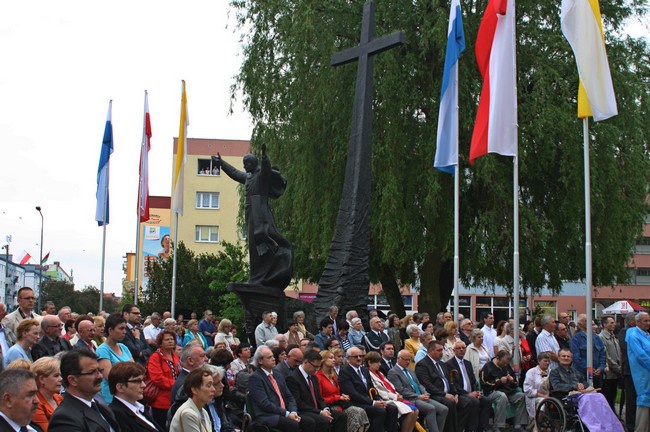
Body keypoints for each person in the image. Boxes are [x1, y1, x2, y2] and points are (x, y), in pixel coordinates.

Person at [214, 144, 293, 287]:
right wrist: (222, 163)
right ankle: (256, 277)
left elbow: (267, 169)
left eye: (247, 163)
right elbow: (235, 173)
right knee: (253, 246)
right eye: (244, 164)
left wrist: (264, 157)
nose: (244, 167)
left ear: (254, 163)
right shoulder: (248, 177)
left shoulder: (262, 175)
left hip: (260, 213)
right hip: (250, 213)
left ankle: (271, 267)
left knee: (262, 238)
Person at [549, 348, 624, 432]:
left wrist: (582, 385)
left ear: (571, 359)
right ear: (558, 358)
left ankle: (608, 425)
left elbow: (585, 382)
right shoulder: (554, 372)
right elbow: (557, 386)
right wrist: (574, 386)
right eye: (563, 356)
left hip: (579, 394)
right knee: (586, 399)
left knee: (599, 396)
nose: (566, 358)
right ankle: (593, 426)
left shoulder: (574, 371)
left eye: (568, 356)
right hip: (565, 396)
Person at [49, 350, 121, 432]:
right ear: (73, 380)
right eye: (92, 372)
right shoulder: (64, 418)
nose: (100, 376)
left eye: (99, 371)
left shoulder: (102, 408)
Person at [338, 346, 399, 432]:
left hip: (369, 400)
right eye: (356, 357)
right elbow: (352, 394)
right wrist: (373, 402)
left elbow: (371, 388)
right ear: (348, 358)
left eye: (361, 356)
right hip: (356, 403)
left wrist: (378, 400)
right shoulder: (345, 372)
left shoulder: (364, 370)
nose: (359, 358)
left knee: (392, 408)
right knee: (379, 411)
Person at [285, 349, 347, 432]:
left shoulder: (313, 377)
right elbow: (298, 402)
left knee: (341, 416)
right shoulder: (293, 378)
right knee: (322, 420)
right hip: (304, 410)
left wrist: (325, 409)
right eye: (315, 366)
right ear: (306, 362)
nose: (317, 369)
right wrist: (320, 412)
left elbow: (319, 398)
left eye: (318, 366)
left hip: (316, 409)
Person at [387, 349, 448, 432]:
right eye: (406, 359)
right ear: (399, 358)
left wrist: (425, 393)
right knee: (431, 409)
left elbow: (419, 384)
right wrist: (418, 396)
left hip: (421, 396)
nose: (408, 362)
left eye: (410, 360)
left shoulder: (410, 370)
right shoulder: (393, 372)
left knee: (443, 409)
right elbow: (400, 390)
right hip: (411, 399)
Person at [248, 346, 304, 431]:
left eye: (273, 356)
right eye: (269, 357)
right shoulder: (255, 378)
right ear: (260, 361)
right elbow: (264, 403)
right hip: (268, 415)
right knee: (293, 424)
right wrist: (287, 414)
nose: (273, 359)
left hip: (284, 413)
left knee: (309, 421)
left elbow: (289, 396)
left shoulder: (277, 374)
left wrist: (293, 412)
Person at [316, 350, 370, 432]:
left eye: (334, 358)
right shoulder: (318, 377)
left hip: (339, 403)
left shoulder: (333, 376)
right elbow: (320, 398)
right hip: (328, 405)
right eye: (331, 358)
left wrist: (342, 396)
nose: (334, 360)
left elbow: (338, 392)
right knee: (348, 414)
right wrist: (338, 397)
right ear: (323, 360)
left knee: (360, 411)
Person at [365, 351, 419, 432]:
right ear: (369, 362)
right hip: (386, 399)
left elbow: (391, 386)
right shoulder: (368, 374)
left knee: (416, 411)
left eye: (380, 362)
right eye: (377, 362)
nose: (379, 364)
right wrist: (395, 396)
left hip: (393, 396)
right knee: (410, 412)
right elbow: (378, 391)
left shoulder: (380, 373)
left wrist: (398, 394)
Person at [414, 340, 461, 432]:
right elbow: (427, 384)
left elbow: (449, 381)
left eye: (442, 350)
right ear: (431, 351)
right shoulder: (422, 364)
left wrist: (455, 394)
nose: (441, 353)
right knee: (449, 403)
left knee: (466, 401)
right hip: (434, 395)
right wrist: (444, 394)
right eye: (439, 350)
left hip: (446, 394)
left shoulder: (442, 364)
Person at [446, 341, 491, 432]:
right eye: (459, 348)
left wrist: (477, 392)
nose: (461, 350)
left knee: (487, 400)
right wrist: (468, 394)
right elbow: (453, 384)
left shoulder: (468, 363)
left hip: (471, 392)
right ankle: (471, 429)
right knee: (474, 401)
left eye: (463, 348)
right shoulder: (449, 364)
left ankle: (482, 428)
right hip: (460, 394)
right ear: (454, 350)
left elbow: (473, 381)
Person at [479, 350, 528, 432]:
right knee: (502, 397)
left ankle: (518, 424)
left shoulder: (506, 366)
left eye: (506, 363)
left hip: (508, 391)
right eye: (503, 363)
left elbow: (515, 383)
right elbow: (484, 383)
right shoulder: (487, 367)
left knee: (522, 396)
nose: (505, 365)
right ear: (497, 358)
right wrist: (499, 381)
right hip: (492, 392)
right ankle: (498, 426)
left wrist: (512, 381)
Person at [108, 362, 163, 432]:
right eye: (137, 381)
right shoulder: (116, 414)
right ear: (120, 387)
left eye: (143, 380)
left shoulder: (138, 408)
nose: (144, 385)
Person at [96, 313, 134, 403]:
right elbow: (109, 376)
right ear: (110, 330)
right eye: (121, 328)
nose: (124, 332)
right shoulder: (102, 350)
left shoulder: (123, 347)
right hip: (111, 399)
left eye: (125, 328)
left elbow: (135, 370)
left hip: (127, 396)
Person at [146, 330, 180, 428]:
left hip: (174, 399)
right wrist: (176, 384)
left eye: (172, 339)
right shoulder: (155, 357)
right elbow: (157, 379)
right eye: (167, 340)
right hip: (161, 402)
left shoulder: (175, 356)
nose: (170, 341)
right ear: (160, 342)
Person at [169, 368, 215, 432]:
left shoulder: (204, 411)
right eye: (208, 385)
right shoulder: (187, 414)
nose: (213, 389)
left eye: (213, 385)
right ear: (194, 390)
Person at [626, 311, 650, 432]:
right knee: (644, 404)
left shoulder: (645, 335)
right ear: (638, 322)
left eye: (649, 320)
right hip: (642, 374)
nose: (648, 323)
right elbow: (641, 355)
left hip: (647, 373)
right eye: (645, 321)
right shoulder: (633, 335)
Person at [570, 314, 606, 389]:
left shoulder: (596, 338)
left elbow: (603, 354)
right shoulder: (576, 338)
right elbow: (576, 357)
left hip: (597, 374)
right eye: (586, 321)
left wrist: (601, 368)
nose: (589, 322)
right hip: (582, 374)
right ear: (580, 324)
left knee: (598, 394)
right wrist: (589, 368)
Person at [31, 357, 63, 432]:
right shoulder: (35, 404)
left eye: (60, 375)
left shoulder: (59, 398)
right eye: (56, 376)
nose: (61, 379)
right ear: (42, 379)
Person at [598, 315, 622, 411]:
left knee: (613, 394)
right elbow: (606, 355)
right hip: (608, 373)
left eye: (614, 322)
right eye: (611, 323)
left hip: (615, 373)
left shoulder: (614, 337)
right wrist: (617, 368)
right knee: (608, 396)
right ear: (604, 324)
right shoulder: (601, 337)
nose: (614, 324)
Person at [619, 312, 637, 431]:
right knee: (631, 399)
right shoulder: (625, 332)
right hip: (630, 370)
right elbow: (626, 348)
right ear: (632, 321)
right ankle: (630, 425)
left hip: (640, 371)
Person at [204, 366, 237, 432]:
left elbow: (225, 425)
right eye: (216, 383)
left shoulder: (217, 400)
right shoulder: (199, 407)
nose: (222, 385)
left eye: (221, 382)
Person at [523, 352, 551, 420]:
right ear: (539, 361)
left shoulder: (551, 372)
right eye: (545, 361)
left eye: (548, 361)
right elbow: (527, 390)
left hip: (549, 396)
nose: (547, 363)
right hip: (534, 398)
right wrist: (543, 395)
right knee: (544, 401)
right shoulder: (531, 372)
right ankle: (537, 422)